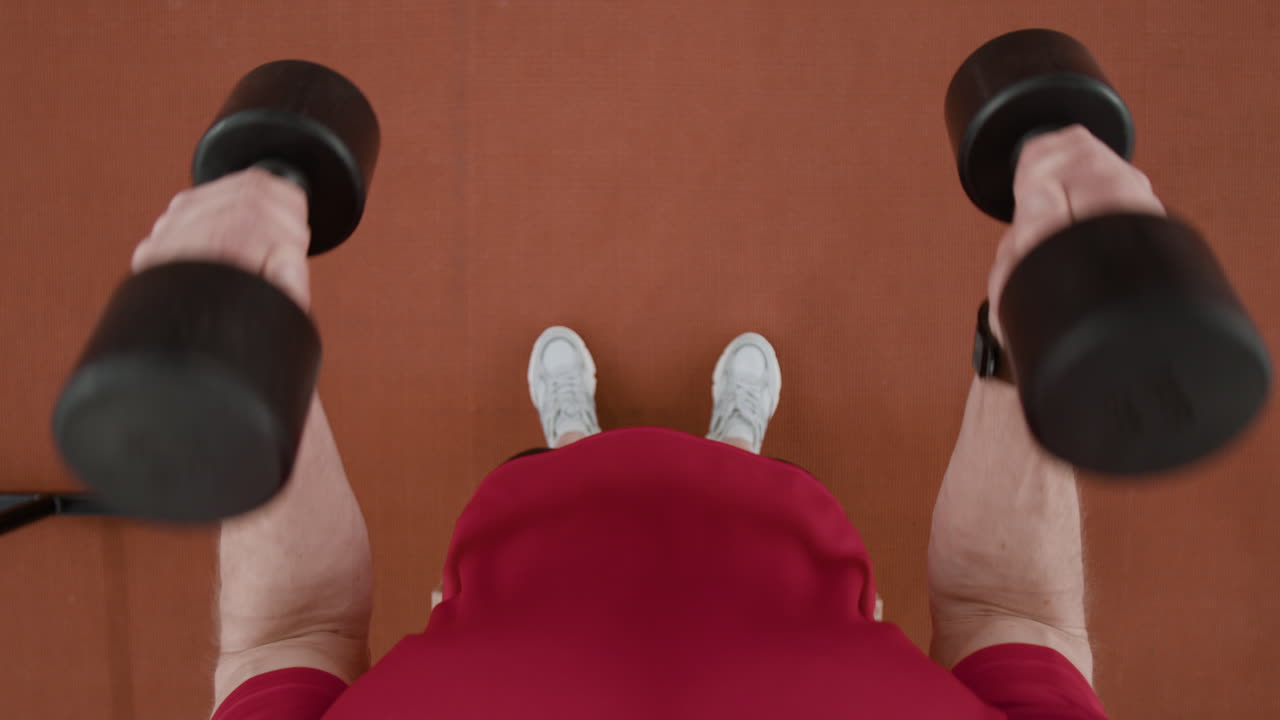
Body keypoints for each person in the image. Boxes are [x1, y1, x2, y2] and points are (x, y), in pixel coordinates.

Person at [131, 125, 1164, 719]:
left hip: (526, 549)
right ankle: (726, 446)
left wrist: (249, 354)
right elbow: (1008, 613)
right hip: (781, 555)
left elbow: (292, 631)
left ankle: (578, 445)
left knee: (575, 484)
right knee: (724, 493)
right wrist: (1028, 332)